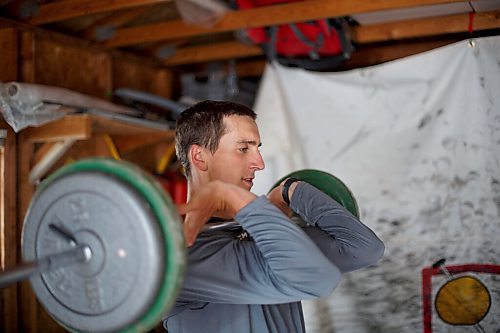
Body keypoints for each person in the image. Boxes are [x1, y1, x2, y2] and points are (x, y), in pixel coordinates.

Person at [164, 100, 384, 333]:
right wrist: (236, 199)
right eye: (243, 149)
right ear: (199, 157)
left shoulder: (258, 233)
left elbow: (364, 249)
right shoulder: (182, 257)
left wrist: (291, 190)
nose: (259, 163)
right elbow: (318, 280)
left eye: (257, 148)